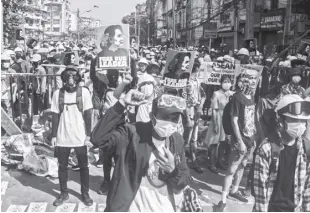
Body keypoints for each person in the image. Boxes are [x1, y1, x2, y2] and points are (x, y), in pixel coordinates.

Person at [91, 90, 191, 212]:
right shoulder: (132, 133)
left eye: (174, 118)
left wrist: (173, 171)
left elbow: (182, 182)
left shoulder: (177, 140)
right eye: (165, 117)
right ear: (151, 115)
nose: (169, 123)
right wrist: (121, 104)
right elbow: (98, 139)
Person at [253, 94, 310, 212]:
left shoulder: (306, 148)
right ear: (280, 120)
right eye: (294, 120)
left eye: (303, 121)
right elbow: (260, 193)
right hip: (271, 208)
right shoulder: (266, 149)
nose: (299, 125)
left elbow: (307, 190)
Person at [215, 69, 258, 211]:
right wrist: (239, 141)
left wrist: (254, 137)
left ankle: (234, 190)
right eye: (250, 79)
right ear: (244, 80)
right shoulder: (237, 98)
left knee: (242, 166)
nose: (252, 82)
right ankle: (223, 199)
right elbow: (234, 121)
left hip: (250, 138)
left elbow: (252, 118)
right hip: (239, 139)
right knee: (232, 168)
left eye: (254, 79)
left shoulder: (251, 96)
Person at [50, 66, 93, 207]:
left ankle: (85, 193)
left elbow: (88, 115)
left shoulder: (84, 93)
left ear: (78, 78)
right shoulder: (58, 94)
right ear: (63, 78)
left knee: (83, 166)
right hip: (63, 135)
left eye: (73, 76)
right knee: (62, 166)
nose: (70, 78)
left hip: (80, 136)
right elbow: (55, 115)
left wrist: (88, 135)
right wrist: (54, 135)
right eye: (67, 76)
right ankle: (63, 193)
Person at [204, 76, 234, 173]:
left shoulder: (232, 94)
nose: (227, 83)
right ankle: (211, 163)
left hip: (227, 120)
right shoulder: (216, 94)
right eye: (225, 81)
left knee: (224, 142)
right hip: (218, 119)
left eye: (228, 81)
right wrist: (216, 124)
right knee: (214, 142)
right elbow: (214, 110)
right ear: (221, 83)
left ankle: (219, 161)